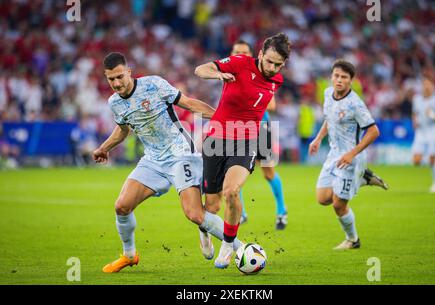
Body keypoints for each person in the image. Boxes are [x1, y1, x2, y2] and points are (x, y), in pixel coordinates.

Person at [93, 52, 242, 273]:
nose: (116, 83)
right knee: (121, 207)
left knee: (194, 214)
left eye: (119, 77)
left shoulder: (153, 84)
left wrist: (221, 117)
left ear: (129, 72)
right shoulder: (114, 103)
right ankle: (129, 255)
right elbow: (122, 130)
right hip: (153, 160)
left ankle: (243, 249)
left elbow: (189, 104)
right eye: (111, 79)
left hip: (181, 154)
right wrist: (103, 148)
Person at [194, 33, 290, 268]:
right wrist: (218, 74)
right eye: (269, 61)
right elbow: (200, 69)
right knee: (212, 207)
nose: (272, 67)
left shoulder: (277, 80)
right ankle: (205, 230)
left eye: (278, 64)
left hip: (247, 140)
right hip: (216, 140)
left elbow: (262, 103)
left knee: (232, 191)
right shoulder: (239, 63)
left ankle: (228, 244)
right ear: (260, 54)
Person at [309, 59, 388, 250]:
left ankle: (353, 240)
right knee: (322, 199)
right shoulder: (328, 94)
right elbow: (330, 119)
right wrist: (318, 138)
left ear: (351, 81)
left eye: (344, 77)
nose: (339, 80)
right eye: (336, 76)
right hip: (333, 155)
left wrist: (352, 154)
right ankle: (364, 179)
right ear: (331, 77)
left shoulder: (355, 104)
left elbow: (373, 131)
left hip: (351, 159)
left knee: (338, 205)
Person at [230, 40, 288, 230]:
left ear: (253, 55)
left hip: (261, 128)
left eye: (244, 52)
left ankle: (281, 211)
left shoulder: (261, 73)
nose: (240, 54)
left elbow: (271, 105)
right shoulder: (228, 74)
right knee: (231, 174)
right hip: (236, 128)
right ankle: (242, 213)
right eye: (237, 51)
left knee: (268, 172)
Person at [412, 76, 435, 193]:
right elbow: (415, 113)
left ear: (433, 86)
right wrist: (414, 122)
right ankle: (433, 160)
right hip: (420, 132)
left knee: (433, 158)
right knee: (416, 161)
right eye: (424, 84)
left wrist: (433, 115)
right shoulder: (416, 99)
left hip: (433, 131)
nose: (426, 87)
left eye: (428, 84)